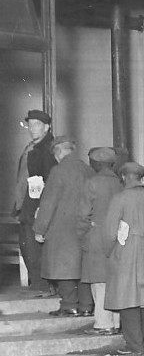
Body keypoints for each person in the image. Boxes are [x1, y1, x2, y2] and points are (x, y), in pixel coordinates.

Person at [103, 162, 144, 355]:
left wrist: (109, 252)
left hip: (127, 250)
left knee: (127, 297)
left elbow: (109, 233)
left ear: (124, 177)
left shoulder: (119, 198)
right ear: (140, 178)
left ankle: (135, 345)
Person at [33, 136, 94, 317]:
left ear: (58, 152)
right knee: (82, 268)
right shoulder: (89, 170)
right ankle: (86, 306)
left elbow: (48, 203)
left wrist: (39, 229)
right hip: (85, 228)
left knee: (64, 267)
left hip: (62, 230)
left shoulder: (58, 171)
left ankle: (69, 305)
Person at [77, 147, 123, 334]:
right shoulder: (120, 183)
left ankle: (104, 324)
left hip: (96, 236)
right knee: (113, 279)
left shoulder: (92, 183)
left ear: (96, 164)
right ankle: (116, 322)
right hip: (118, 237)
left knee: (99, 281)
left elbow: (82, 215)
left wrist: (83, 236)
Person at [15, 109, 57, 295]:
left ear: (47, 127)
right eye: (30, 125)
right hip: (27, 205)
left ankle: (42, 286)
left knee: (34, 247)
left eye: (37, 125)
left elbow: (51, 180)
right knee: (27, 245)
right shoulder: (32, 147)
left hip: (37, 207)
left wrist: (42, 207)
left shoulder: (47, 149)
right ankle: (39, 285)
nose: (32, 129)